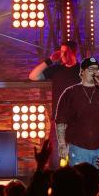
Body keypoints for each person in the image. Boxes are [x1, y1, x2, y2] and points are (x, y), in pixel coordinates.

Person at [55, 57, 99, 172]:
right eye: (91, 69)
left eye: (96, 69)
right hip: (79, 148)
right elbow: (61, 120)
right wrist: (62, 144)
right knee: (80, 184)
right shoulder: (70, 92)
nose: (94, 72)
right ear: (82, 72)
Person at [29, 39, 80, 167]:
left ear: (73, 52)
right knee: (55, 154)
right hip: (59, 119)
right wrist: (50, 60)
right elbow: (33, 76)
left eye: (65, 52)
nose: (62, 55)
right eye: (61, 51)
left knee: (77, 154)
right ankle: (55, 181)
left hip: (78, 119)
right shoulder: (57, 69)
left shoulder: (82, 70)